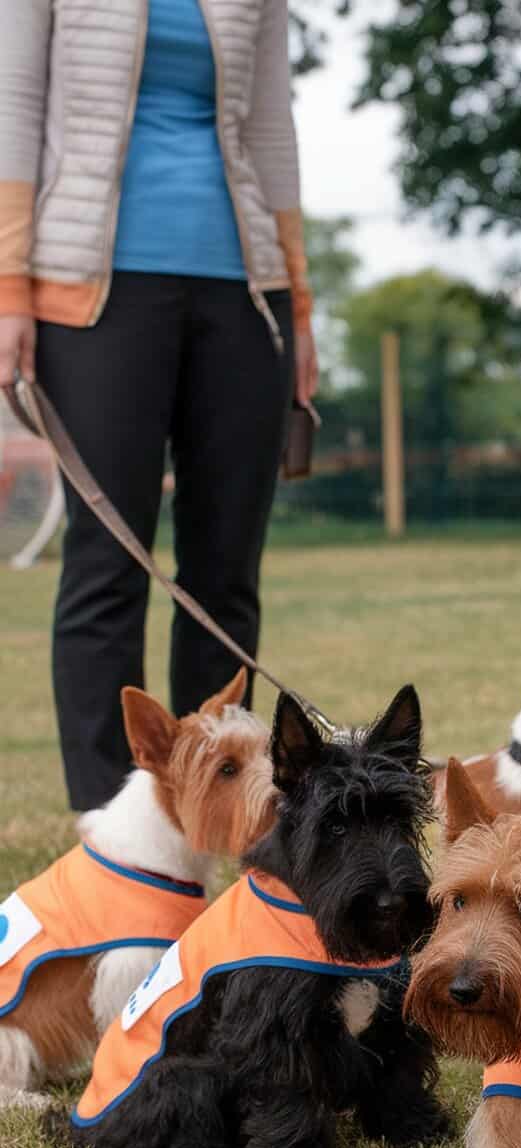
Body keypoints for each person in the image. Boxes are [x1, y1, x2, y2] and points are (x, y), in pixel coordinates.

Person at [0, 0, 318, 813]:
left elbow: (273, 129)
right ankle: (110, 827)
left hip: (246, 295)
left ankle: (222, 813)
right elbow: (13, 105)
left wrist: (302, 309)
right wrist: (8, 290)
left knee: (226, 575)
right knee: (108, 566)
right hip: (91, 294)